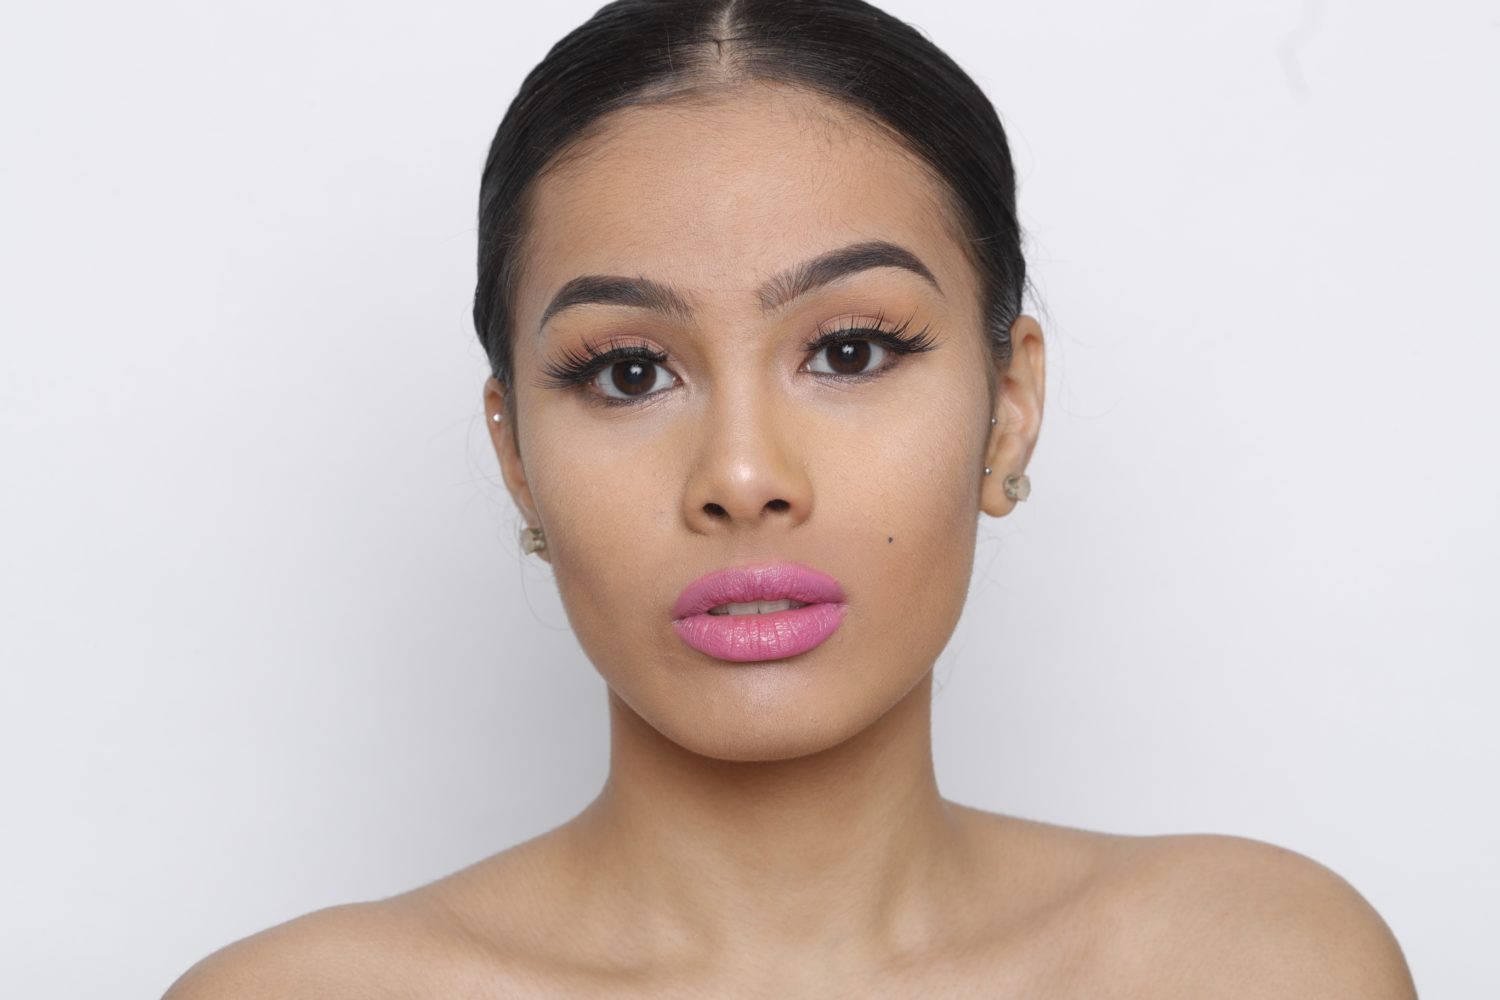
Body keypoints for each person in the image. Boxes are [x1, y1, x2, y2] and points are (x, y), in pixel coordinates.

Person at [165, 0, 1417, 995]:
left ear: (1009, 405)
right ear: (517, 456)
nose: (743, 477)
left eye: (852, 351)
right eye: (629, 371)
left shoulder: (1259, 965)